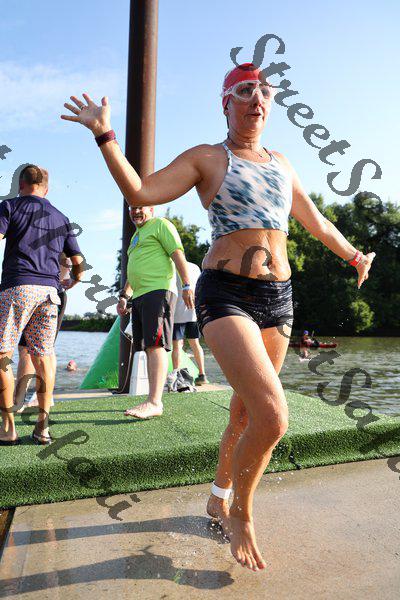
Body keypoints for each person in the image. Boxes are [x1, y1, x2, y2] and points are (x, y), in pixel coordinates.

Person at [61, 64, 375, 571]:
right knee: (274, 416)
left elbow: (316, 222)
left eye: (264, 91)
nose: (257, 99)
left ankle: (218, 496)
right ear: (226, 103)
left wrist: (355, 256)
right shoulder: (208, 157)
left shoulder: (283, 164)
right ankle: (241, 514)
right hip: (226, 294)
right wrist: (105, 135)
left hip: (279, 299)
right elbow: (141, 192)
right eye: (245, 91)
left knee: (245, 414)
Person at [0, 165, 83, 445]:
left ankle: (8, 429)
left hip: (18, 287)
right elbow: (78, 261)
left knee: (3, 354)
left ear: (21, 185)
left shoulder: (9, 207)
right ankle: (42, 428)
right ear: (46, 189)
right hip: (50, 293)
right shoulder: (60, 217)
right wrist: (74, 279)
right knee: (44, 356)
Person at [116, 205, 194, 418]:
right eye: (132, 208)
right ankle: (151, 399)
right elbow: (134, 270)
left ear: (151, 209)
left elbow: (177, 254)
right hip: (140, 296)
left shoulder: (161, 225)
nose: (135, 211)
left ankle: (155, 402)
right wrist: (124, 296)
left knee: (156, 344)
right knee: (147, 347)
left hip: (158, 291)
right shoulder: (136, 236)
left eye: (140, 207)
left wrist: (187, 285)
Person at [15, 255, 71, 412]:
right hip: (40, 293)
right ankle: (29, 398)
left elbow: (68, 259)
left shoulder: (51, 239)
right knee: (34, 349)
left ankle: (20, 400)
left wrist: (61, 279)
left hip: (49, 295)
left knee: (31, 349)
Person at [171, 261, 208, 387]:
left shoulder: (172, 266)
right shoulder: (195, 267)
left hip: (177, 312)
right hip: (193, 311)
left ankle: (177, 375)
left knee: (177, 346)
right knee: (195, 343)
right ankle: (202, 375)